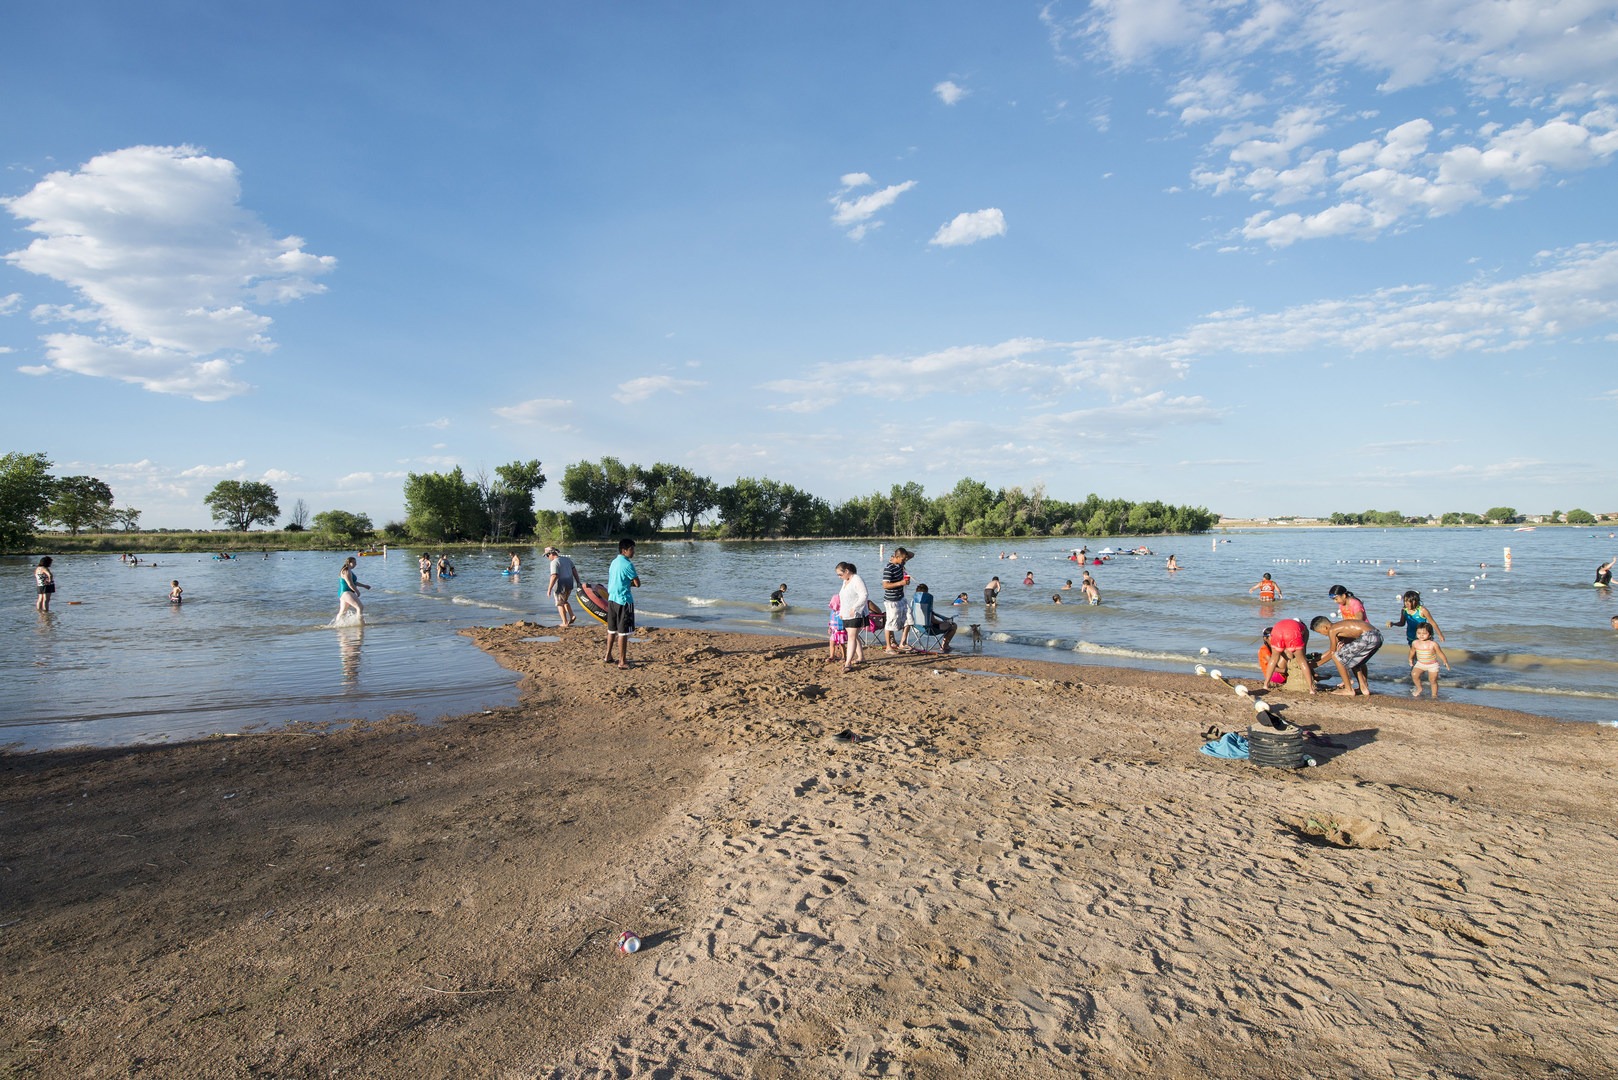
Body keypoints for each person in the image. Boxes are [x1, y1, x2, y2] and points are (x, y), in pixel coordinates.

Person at [1311, 615, 1383, 696]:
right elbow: (1332, 650)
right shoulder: (1340, 627)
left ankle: (1348, 689)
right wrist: (1316, 660)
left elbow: (1332, 653)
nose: (1323, 635)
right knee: (1354, 662)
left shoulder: (1332, 629)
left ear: (1325, 627)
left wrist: (1316, 665)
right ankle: (1363, 688)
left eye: (1320, 632)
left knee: (1336, 657)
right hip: (1377, 636)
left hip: (1369, 636)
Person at [603, 538, 640, 669]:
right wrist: (629, 584)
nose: (633, 552)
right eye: (631, 549)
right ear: (624, 550)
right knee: (623, 633)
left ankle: (608, 655)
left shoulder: (614, 562)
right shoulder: (628, 564)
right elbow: (637, 583)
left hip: (612, 599)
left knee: (611, 630)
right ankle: (622, 661)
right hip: (624, 601)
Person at [1262, 618, 1315, 694]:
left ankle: (1265, 684)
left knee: (1273, 659)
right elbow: (1304, 647)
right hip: (1292, 633)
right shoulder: (1304, 629)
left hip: (1276, 631)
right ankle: (1311, 689)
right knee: (1302, 661)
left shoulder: (1286, 623)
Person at [836, 561, 869, 672]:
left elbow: (864, 595)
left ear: (847, 571)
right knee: (853, 636)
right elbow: (843, 597)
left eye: (840, 574)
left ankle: (848, 663)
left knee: (851, 637)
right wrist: (841, 612)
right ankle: (861, 657)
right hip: (846, 613)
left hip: (856, 613)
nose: (839, 577)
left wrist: (855, 607)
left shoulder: (857, 579)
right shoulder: (845, 581)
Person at [909, 583, 958, 653]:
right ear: (926, 592)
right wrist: (943, 622)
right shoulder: (926, 604)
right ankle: (945, 646)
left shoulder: (913, 602)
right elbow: (933, 620)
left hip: (916, 627)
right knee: (953, 626)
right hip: (929, 629)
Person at [881, 547, 913, 652]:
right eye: (903, 559)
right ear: (897, 557)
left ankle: (902, 643)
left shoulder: (900, 564)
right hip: (891, 600)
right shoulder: (888, 568)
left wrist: (904, 555)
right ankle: (888, 647)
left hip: (901, 598)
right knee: (890, 623)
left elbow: (912, 554)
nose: (905, 561)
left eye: (905, 559)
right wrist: (901, 583)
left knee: (909, 619)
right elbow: (885, 585)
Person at [1408, 624, 1450, 698]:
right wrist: (1410, 659)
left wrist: (1445, 662)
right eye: (1419, 633)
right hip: (1420, 663)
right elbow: (1412, 652)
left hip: (1432, 665)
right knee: (1414, 675)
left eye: (1424, 633)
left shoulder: (1433, 644)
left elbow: (1440, 653)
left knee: (1433, 680)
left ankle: (1434, 695)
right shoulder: (1415, 643)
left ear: (1430, 634)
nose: (1421, 635)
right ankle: (1419, 688)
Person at [544, 546, 582, 627]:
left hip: (560, 586)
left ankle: (565, 622)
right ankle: (572, 615)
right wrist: (578, 582)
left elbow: (554, 575)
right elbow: (574, 570)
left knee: (559, 604)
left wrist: (549, 589)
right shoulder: (567, 559)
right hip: (569, 584)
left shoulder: (554, 562)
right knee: (564, 601)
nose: (547, 557)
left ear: (551, 554)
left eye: (547, 555)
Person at [337, 556, 369, 622]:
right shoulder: (346, 571)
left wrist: (364, 586)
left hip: (344, 593)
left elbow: (354, 582)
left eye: (355, 562)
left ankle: (337, 625)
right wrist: (357, 591)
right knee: (360, 607)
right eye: (354, 562)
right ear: (349, 563)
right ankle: (360, 623)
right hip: (346, 592)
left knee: (343, 611)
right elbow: (350, 584)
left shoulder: (348, 570)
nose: (355, 564)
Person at [827, 595, 846, 663]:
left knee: (841, 644)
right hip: (834, 631)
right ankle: (831, 656)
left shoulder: (843, 611)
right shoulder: (833, 611)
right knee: (831, 643)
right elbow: (831, 620)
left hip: (841, 630)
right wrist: (829, 627)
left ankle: (844, 657)